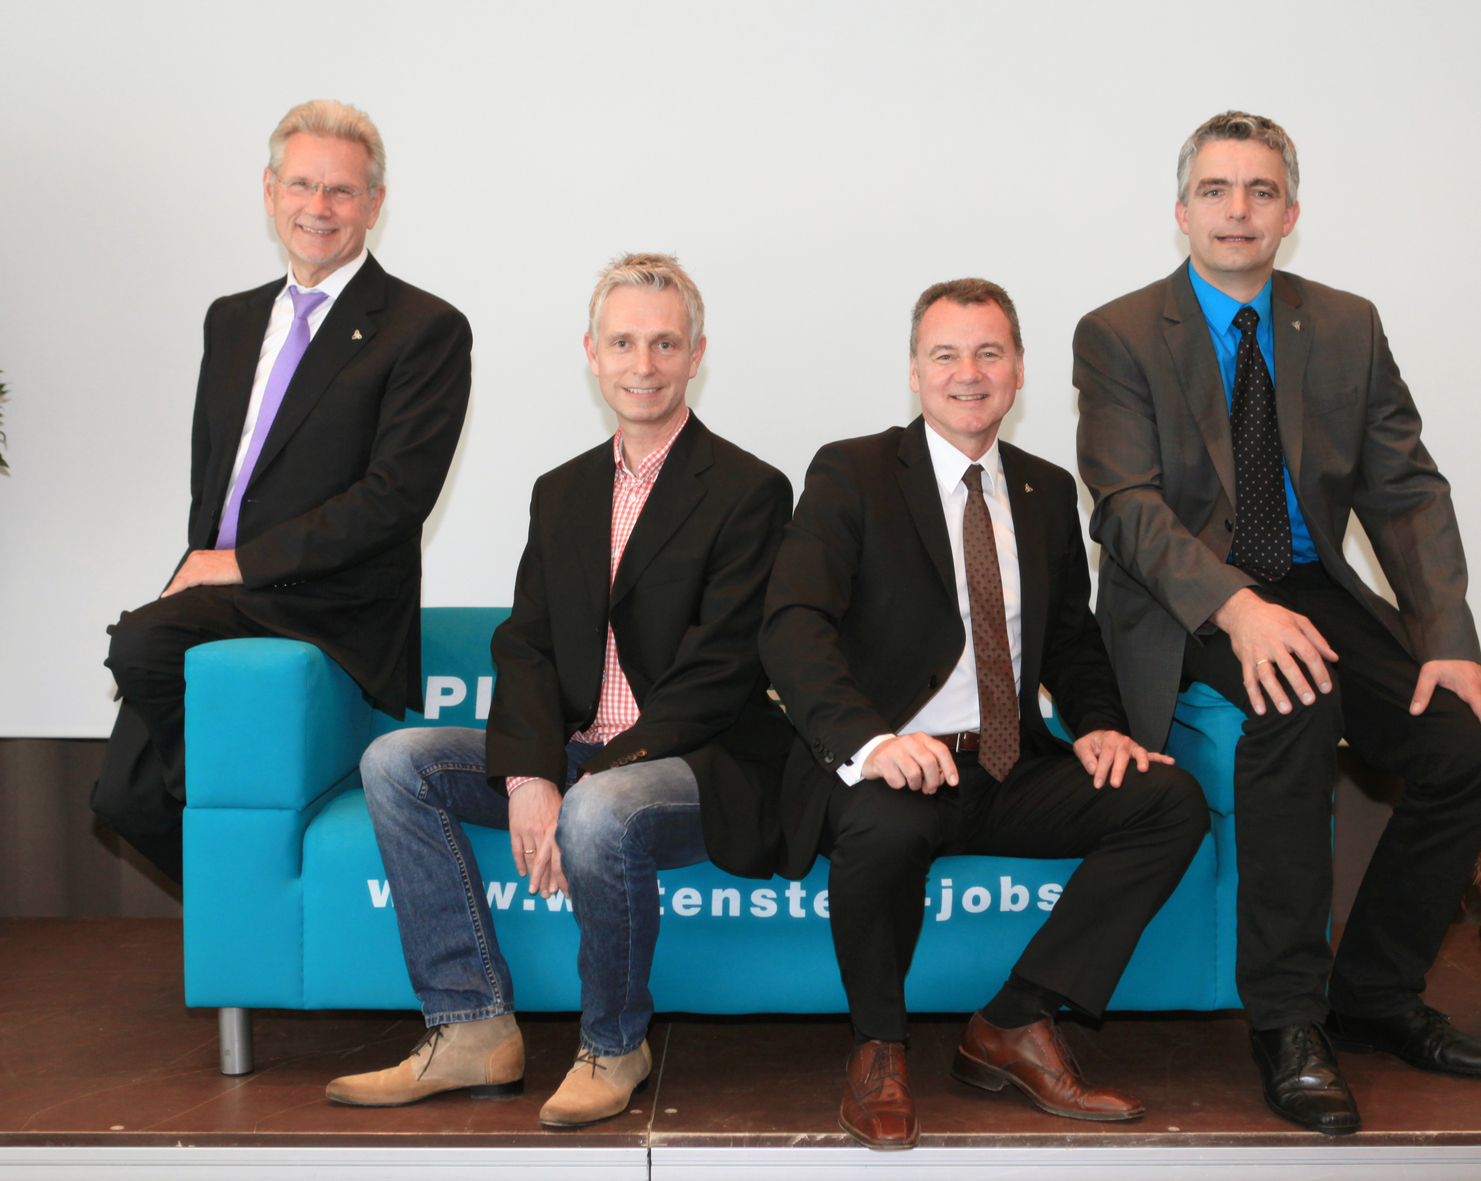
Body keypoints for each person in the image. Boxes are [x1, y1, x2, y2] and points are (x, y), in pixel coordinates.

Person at [1073, 111, 1481, 1136]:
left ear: (1290, 212)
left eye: (1260, 190)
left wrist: (1448, 641)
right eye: (1216, 190)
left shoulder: (1346, 324)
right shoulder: (1120, 332)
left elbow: (1404, 489)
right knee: (1293, 704)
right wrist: (1235, 607)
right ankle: (1286, 1020)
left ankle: (1374, 995)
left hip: (1312, 588)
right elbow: (1127, 507)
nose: (1238, 209)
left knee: (1470, 745)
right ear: (1181, 210)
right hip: (1189, 599)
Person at [326, 254, 794, 1129]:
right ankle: (471, 1025)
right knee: (395, 760)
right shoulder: (563, 490)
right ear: (591, 352)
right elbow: (528, 645)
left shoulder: (751, 490)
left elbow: (722, 672)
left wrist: (583, 781)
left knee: (601, 808)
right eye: (623, 342)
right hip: (580, 754)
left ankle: (614, 1043)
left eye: (665, 343)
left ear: (697, 355)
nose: (643, 363)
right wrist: (530, 772)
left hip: (695, 767)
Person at [761, 278, 1209, 1151]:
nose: (968, 373)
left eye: (989, 353)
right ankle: (879, 1048)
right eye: (946, 354)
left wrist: (1099, 724)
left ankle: (1015, 1019)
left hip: (1010, 762)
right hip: (899, 763)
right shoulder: (852, 472)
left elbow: (1072, 638)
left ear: (1019, 370)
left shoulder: (1044, 488)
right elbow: (792, 625)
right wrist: (872, 744)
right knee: (883, 826)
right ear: (915, 372)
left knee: (1168, 800)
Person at [93, 100, 472, 882]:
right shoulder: (230, 320)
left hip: (332, 599)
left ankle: (257, 843)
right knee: (123, 800)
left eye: (341, 190)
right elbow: (216, 478)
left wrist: (236, 564)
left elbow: (394, 498)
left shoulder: (424, 328)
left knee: (137, 645)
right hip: (221, 591)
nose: (318, 207)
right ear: (270, 192)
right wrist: (200, 567)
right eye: (301, 184)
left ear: (374, 203)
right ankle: (254, 884)